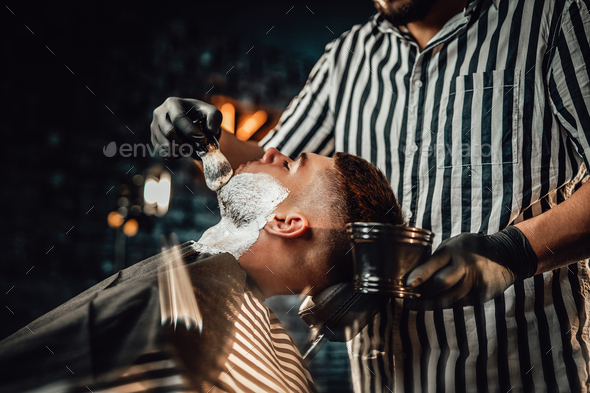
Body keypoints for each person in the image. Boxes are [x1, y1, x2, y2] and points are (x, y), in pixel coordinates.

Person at [151, 0, 590, 391]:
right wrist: (203, 139)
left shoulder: (552, 21)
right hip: (381, 377)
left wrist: (516, 251)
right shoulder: (347, 56)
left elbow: (285, 176)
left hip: (521, 372)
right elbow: (275, 171)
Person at [0, 149, 403, 393]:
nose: (272, 153)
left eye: (291, 164)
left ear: (285, 222)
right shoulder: (206, 285)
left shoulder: (228, 350)